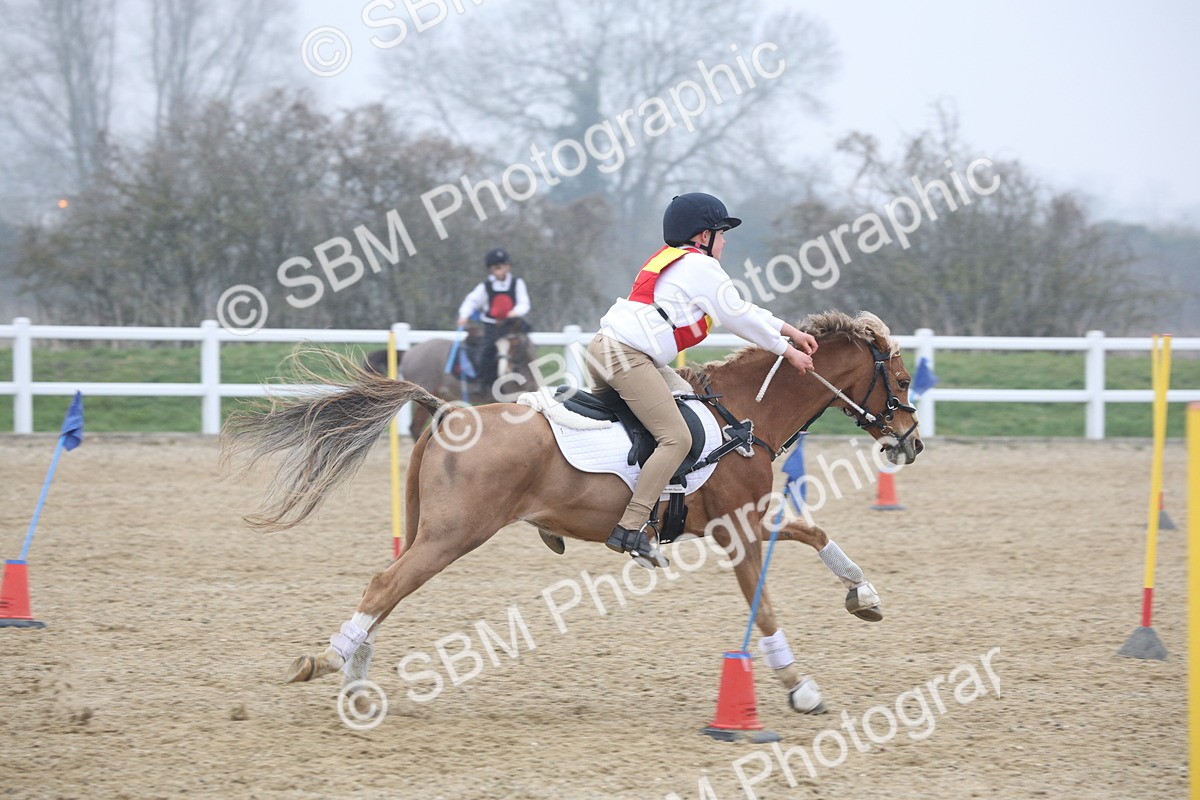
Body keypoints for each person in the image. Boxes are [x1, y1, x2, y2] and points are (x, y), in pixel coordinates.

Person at [588, 192, 818, 567]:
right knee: (677, 438)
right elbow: (737, 317)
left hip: (609, 351)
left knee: (684, 396)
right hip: (627, 358)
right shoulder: (700, 266)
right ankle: (632, 528)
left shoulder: (677, 261)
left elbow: (741, 308)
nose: (725, 241)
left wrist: (790, 331)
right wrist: (787, 351)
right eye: (721, 233)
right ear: (703, 236)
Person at [455, 247, 531, 389]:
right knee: (487, 351)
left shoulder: (517, 283)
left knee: (525, 347)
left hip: (512, 326)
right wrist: (464, 315)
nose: (499, 269)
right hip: (492, 327)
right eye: (496, 266)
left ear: (508, 266)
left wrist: (515, 312)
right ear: (490, 269)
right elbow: (472, 301)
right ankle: (484, 384)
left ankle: (529, 379)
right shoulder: (486, 286)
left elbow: (524, 303)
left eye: (502, 265)